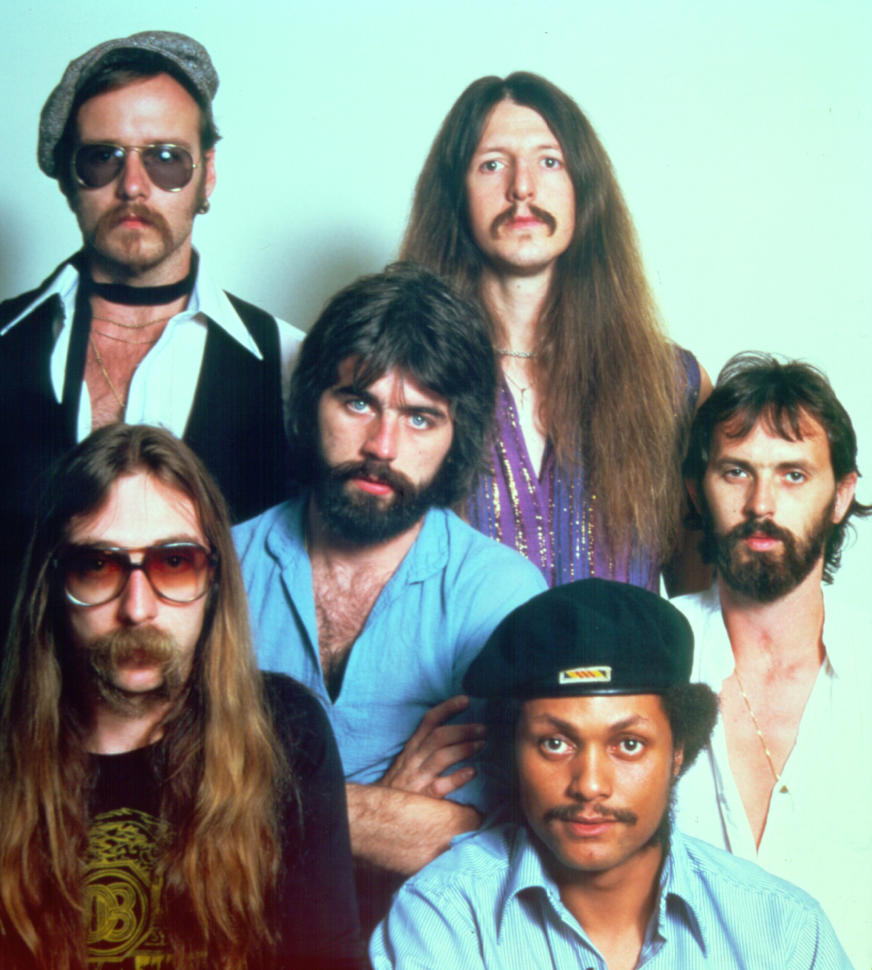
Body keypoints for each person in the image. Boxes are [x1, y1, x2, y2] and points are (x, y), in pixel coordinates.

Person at [0, 31, 302, 708]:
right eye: (102, 159)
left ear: (207, 175)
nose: (133, 184)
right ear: (68, 177)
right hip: (18, 762)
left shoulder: (289, 364)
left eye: (166, 159)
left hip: (217, 771)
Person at [0, 424, 363, 970]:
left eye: (174, 562)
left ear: (215, 579)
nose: (138, 609)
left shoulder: (287, 733)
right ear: (53, 584)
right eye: (97, 565)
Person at [233, 263, 547, 925]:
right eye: (358, 401)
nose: (382, 444)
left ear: (457, 436)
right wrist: (384, 805)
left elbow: (499, 845)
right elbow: (163, 805)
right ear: (310, 400)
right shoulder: (219, 567)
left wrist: (261, 804)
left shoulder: (500, 594)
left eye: (421, 418)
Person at [372, 578, 851, 969]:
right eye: (554, 743)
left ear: (678, 751)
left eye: (628, 744)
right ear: (511, 751)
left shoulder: (784, 933)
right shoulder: (443, 918)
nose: (590, 785)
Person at [401, 72, 712, 592]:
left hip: (636, 675)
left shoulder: (672, 385)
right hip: (459, 677)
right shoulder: (402, 378)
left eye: (549, 161)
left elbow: (695, 608)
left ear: (583, 190)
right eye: (492, 164)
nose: (522, 187)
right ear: (456, 196)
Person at [673, 351, 871, 967]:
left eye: (793, 475)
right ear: (696, 491)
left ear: (841, 495)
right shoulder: (651, 657)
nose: (762, 503)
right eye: (735, 472)